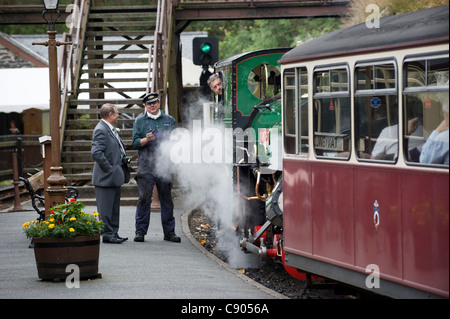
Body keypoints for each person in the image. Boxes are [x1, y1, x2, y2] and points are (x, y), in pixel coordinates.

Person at [132, 92, 180, 243]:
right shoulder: (139, 121)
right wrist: (146, 139)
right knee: (144, 198)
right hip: (146, 164)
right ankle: (140, 231)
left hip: (165, 163)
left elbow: (177, 142)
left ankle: (169, 232)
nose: (152, 106)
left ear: (159, 103)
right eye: (148, 104)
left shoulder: (169, 120)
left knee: (166, 199)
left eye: (154, 103)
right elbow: (134, 143)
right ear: (145, 106)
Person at [91, 103, 129, 244]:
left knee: (113, 208)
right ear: (111, 115)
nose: (118, 115)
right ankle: (107, 235)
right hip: (105, 177)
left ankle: (114, 232)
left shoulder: (109, 129)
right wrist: (109, 168)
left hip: (114, 176)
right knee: (106, 209)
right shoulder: (101, 129)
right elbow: (96, 152)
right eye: (117, 113)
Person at [420, 100, 449, 165]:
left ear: (447, 115)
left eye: (443, 113)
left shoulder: (442, 138)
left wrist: (437, 130)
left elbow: (424, 161)